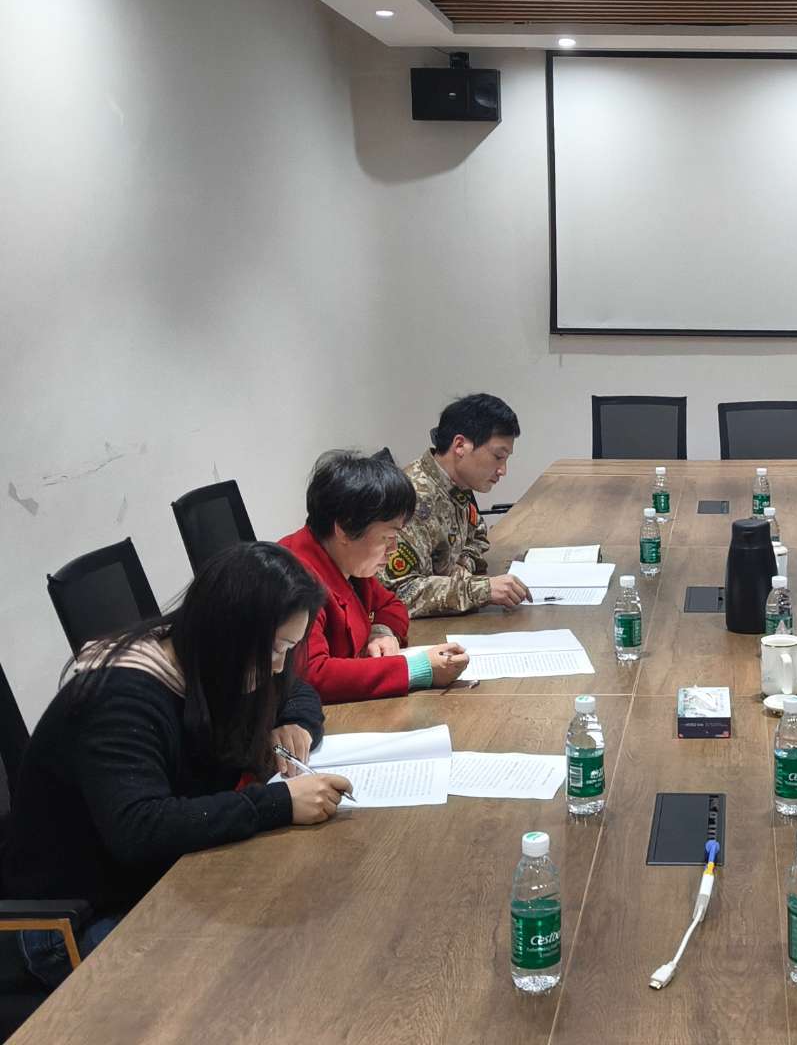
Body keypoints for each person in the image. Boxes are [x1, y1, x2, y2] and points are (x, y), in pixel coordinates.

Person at [2, 543, 354, 988]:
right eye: (275, 649)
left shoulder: (209, 661)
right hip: (73, 920)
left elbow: (296, 689)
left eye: (289, 648)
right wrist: (278, 803)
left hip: (156, 877)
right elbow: (141, 827)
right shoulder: (119, 698)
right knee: (257, 972)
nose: (279, 666)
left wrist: (295, 722)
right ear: (227, 632)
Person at [280, 450, 469, 702]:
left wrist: (382, 631)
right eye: (388, 537)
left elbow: (391, 605)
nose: (393, 549)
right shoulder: (292, 578)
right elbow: (312, 675)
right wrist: (417, 670)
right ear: (345, 528)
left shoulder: (345, 558)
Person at [380, 394, 532, 615]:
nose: (503, 471)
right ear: (460, 445)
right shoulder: (410, 500)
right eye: (498, 457)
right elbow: (398, 593)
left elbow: (477, 535)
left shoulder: (455, 486)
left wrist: (460, 567)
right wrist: (479, 590)